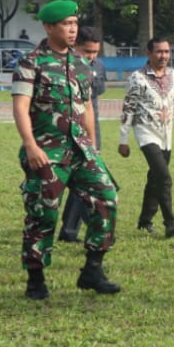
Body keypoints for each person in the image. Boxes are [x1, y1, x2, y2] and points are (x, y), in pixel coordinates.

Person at [13, 0, 120, 299]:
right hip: (47, 151)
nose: (72, 29)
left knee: (107, 198)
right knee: (43, 213)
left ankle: (92, 270)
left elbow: (86, 107)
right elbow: (20, 106)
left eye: (74, 23)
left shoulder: (81, 64)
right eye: (66, 24)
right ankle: (36, 279)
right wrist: (30, 145)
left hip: (81, 150)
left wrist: (93, 146)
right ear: (49, 27)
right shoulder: (31, 62)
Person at [118, 37, 174, 237]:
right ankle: (170, 223)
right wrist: (123, 140)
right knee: (164, 178)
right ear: (148, 53)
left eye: (166, 51)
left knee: (155, 179)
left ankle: (144, 221)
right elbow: (128, 109)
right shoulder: (137, 78)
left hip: (166, 136)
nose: (163, 56)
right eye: (159, 51)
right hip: (146, 134)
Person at [58, 26, 107, 244]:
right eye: (87, 51)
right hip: (63, 133)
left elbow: (93, 102)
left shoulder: (99, 67)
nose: (91, 56)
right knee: (67, 182)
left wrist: (93, 139)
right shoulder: (62, 66)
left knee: (84, 183)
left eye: (95, 52)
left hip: (90, 131)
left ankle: (70, 231)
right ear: (75, 46)